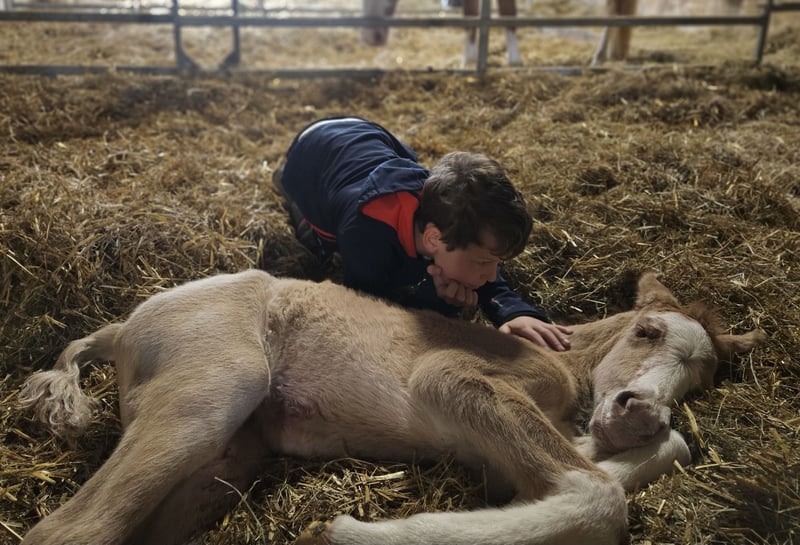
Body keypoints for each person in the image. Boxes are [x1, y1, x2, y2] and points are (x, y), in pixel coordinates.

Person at [273, 117, 572, 351]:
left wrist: (514, 312)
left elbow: (485, 272)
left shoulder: (447, 213)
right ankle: (288, 188)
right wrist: (435, 299)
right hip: (311, 153)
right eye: (483, 263)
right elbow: (375, 310)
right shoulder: (366, 233)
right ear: (433, 239)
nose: (491, 274)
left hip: (368, 133)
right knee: (321, 243)